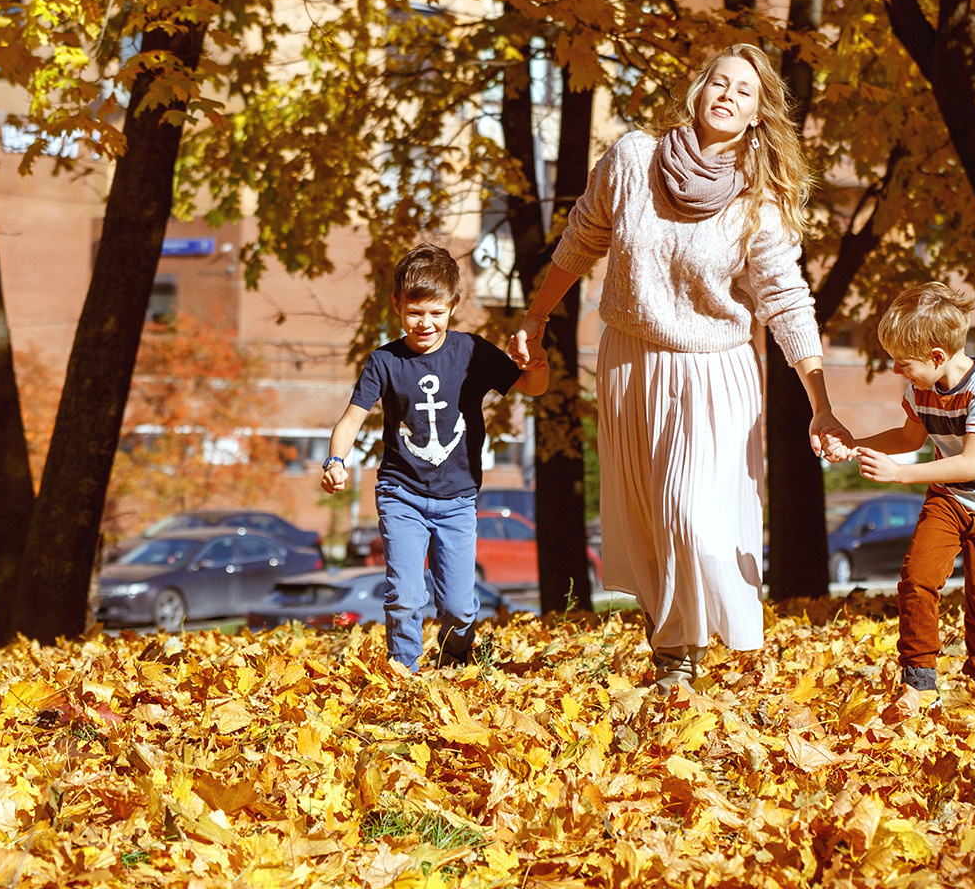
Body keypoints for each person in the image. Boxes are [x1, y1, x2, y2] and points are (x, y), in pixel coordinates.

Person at [507, 43, 853, 688]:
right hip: (630, 361)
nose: (727, 94)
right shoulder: (633, 159)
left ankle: (709, 643)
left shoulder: (758, 204)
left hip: (715, 372)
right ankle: (674, 661)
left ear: (757, 115)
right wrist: (535, 318)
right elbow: (581, 239)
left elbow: (787, 301)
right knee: (652, 522)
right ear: (698, 92)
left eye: (744, 91)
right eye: (719, 82)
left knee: (691, 515)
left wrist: (821, 404)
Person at [323, 244, 546, 673]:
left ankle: (454, 662)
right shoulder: (384, 362)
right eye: (414, 312)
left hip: (457, 498)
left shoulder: (472, 353)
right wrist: (334, 461)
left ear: (453, 307)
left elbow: (533, 387)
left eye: (436, 313)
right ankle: (403, 674)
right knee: (405, 596)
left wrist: (536, 363)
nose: (425, 323)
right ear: (397, 305)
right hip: (400, 493)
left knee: (460, 608)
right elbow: (350, 420)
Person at [848, 281, 975, 697]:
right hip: (950, 499)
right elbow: (910, 439)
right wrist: (855, 443)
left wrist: (897, 475)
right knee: (917, 578)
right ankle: (919, 680)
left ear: (937, 356)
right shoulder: (921, 387)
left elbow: (970, 462)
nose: (896, 371)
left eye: (903, 362)